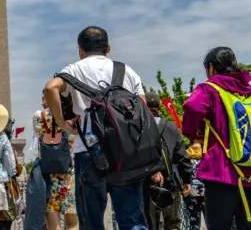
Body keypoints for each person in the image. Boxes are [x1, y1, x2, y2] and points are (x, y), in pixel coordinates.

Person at [43, 26, 162, 230]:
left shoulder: (74, 70)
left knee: (92, 222)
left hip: (88, 151)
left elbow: (50, 88)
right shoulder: (127, 71)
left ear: (80, 50)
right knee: (132, 220)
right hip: (127, 153)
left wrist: (63, 124)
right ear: (108, 47)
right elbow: (143, 111)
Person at [182, 47, 251, 230]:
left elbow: (192, 108)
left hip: (222, 173)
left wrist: (194, 135)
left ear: (211, 68)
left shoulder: (209, 90)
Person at [142, 93, 192, 230]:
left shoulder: (140, 126)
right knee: (173, 222)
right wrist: (187, 179)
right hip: (171, 181)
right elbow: (181, 156)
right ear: (159, 107)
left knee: (149, 222)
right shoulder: (171, 127)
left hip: (147, 182)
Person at [33, 95, 78, 230]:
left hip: (49, 173)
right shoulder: (76, 117)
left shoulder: (39, 116)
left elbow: (37, 136)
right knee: (73, 223)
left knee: (53, 225)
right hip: (70, 172)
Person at [182, 143, 205, 230]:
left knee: (193, 220)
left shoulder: (185, 154)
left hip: (190, 191)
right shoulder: (206, 154)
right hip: (206, 191)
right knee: (212, 219)